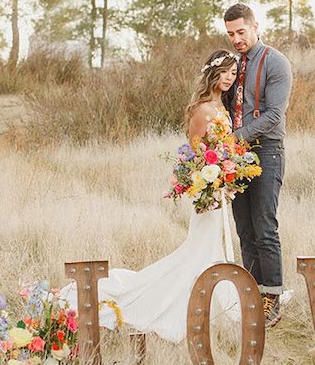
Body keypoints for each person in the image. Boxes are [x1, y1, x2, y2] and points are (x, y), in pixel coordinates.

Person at [61, 49, 242, 342]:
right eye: (224, 73)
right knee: (200, 249)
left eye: (233, 74)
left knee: (215, 247)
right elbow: (197, 152)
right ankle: (181, 300)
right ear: (212, 73)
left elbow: (224, 149)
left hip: (219, 187)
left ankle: (217, 299)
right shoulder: (203, 110)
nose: (229, 79)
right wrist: (213, 175)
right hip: (206, 189)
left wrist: (229, 170)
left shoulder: (222, 107)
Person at [221, 3, 293, 328]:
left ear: (255, 26)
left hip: (266, 151)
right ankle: (252, 294)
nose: (236, 39)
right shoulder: (232, 66)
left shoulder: (276, 63)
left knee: (265, 227)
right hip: (235, 157)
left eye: (240, 31)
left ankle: (272, 297)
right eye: (230, 34)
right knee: (244, 229)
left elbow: (274, 115)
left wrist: (235, 137)